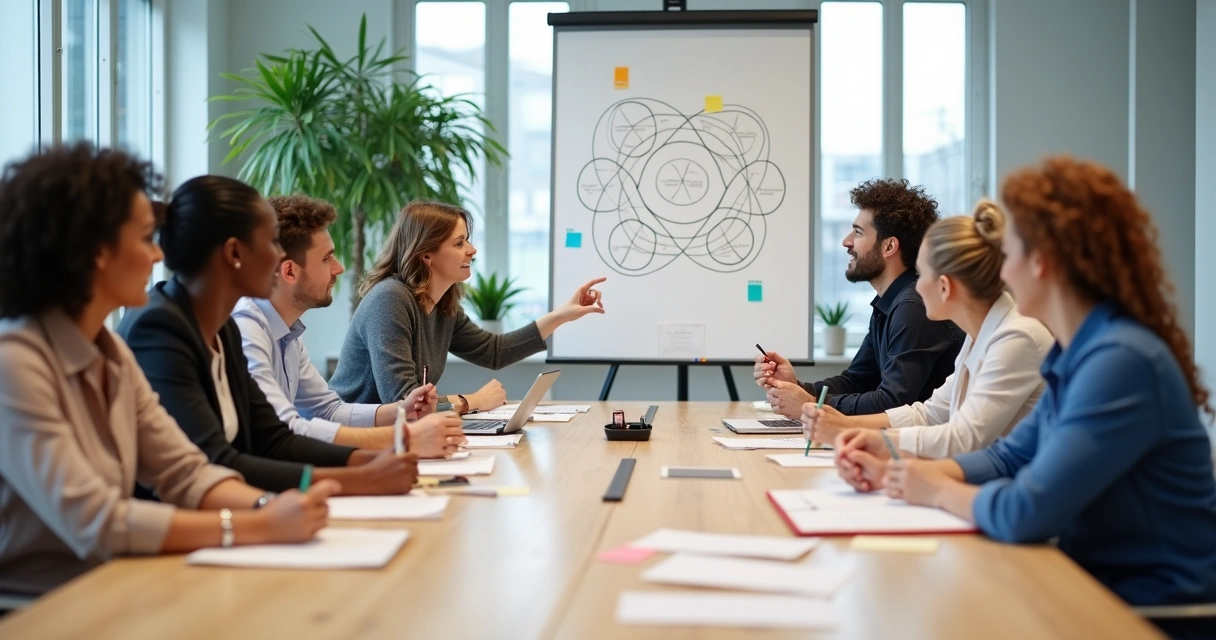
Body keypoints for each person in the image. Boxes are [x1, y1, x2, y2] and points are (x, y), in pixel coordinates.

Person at [837, 157, 1216, 638]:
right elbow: (1007, 457)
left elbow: (1027, 511)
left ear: (1042, 263)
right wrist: (896, 469)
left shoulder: (1121, 361)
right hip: (1087, 586)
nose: (1001, 269)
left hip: (1145, 611)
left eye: (1009, 252)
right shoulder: (1075, 351)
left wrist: (931, 487)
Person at [0, 144, 337, 598]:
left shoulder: (110, 353)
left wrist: (270, 506)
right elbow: (97, 520)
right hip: (40, 610)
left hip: (115, 587)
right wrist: (254, 524)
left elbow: (185, 471)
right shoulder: (15, 363)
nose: (158, 255)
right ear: (96, 251)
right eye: (143, 239)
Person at [118, 175, 419, 495]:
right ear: (235, 253)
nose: (280, 259)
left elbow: (272, 438)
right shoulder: (161, 328)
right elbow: (217, 460)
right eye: (272, 242)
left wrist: (368, 461)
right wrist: (361, 477)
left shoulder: (224, 328)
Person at [803, 200, 1053, 457]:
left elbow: (963, 438)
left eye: (922, 275)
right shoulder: (981, 335)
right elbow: (929, 413)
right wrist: (846, 426)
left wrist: (858, 436)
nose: (916, 286)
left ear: (944, 286)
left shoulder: (1016, 337)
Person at [233, 194, 465, 457]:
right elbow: (286, 429)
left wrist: (403, 409)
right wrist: (404, 436)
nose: (339, 268)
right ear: (289, 271)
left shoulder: (289, 333)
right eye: (327, 258)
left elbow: (328, 410)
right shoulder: (247, 331)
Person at [330, 201, 605, 412]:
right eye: (459, 243)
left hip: (397, 440)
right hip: (351, 440)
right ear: (426, 254)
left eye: (468, 240)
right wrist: (473, 401)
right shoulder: (389, 300)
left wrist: (562, 315)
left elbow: (493, 352)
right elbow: (406, 403)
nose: (472, 250)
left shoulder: (443, 305)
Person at [754, 179, 964, 419]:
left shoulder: (913, 308)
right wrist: (798, 387)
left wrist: (812, 404)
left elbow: (892, 402)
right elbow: (857, 380)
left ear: (889, 246)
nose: (846, 241)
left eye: (858, 232)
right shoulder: (889, 304)